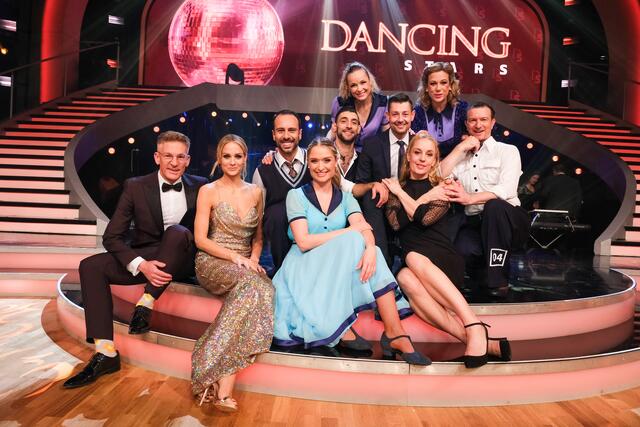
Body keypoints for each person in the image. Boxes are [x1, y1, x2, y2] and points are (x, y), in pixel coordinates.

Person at [63, 131, 208, 389]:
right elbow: (111, 237)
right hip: (149, 260)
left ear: (188, 160)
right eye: (168, 156)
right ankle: (105, 353)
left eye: (180, 157)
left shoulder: (202, 186)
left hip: (183, 260)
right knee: (90, 266)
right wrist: (141, 264)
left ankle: (146, 302)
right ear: (157, 157)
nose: (174, 162)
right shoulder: (135, 186)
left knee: (177, 231)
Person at [272, 137, 429, 365]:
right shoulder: (295, 196)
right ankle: (394, 334)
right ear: (308, 164)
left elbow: (364, 228)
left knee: (368, 246)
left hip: (333, 265)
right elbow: (303, 242)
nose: (320, 166)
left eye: (326, 160)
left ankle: (395, 331)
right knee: (353, 238)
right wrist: (348, 232)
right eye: (314, 161)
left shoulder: (346, 198)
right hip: (303, 265)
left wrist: (370, 249)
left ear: (335, 161)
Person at [383, 131, 511, 368]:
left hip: (442, 259)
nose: (422, 159)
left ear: (435, 160)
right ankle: (478, 338)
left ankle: (471, 322)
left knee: (412, 258)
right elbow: (397, 223)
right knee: (404, 277)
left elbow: (423, 219)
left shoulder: (443, 186)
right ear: (408, 156)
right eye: (417, 153)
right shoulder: (396, 188)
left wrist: (403, 194)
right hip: (415, 263)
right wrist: (410, 193)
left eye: (428, 154)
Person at [191, 134, 273, 412]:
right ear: (219, 158)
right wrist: (237, 258)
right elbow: (200, 240)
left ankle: (220, 380)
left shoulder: (256, 192)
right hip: (213, 260)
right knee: (253, 286)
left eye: (238, 156)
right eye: (227, 156)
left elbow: (258, 237)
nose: (232, 161)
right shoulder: (208, 191)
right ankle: (210, 369)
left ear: (245, 158)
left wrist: (254, 258)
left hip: (245, 263)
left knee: (265, 287)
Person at [441, 102, 530, 296]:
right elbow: (437, 176)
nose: (478, 124)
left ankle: (498, 281)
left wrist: (469, 198)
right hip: (476, 222)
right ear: (467, 124)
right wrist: (460, 148)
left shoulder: (508, 151)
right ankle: (482, 271)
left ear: (493, 123)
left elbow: (507, 189)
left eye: (483, 119)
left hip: (510, 219)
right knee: (462, 250)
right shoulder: (461, 157)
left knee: (494, 206)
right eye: (473, 120)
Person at [356, 93, 415, 265]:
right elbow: (361, 180)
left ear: (412, 115)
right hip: (381, 204)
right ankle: (381, 261)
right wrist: (376, 185)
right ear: (388, 116)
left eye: (405, 114)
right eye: (395, 114)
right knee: (370, 196)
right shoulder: (372, 144)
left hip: (410, 202)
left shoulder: (420, 143)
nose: (400, 119)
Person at [252, 110, 311, 273]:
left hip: (313, 232)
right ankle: (283, 272)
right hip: (279, 240)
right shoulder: (262, 171)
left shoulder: (314, 161)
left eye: (291, 130)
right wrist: (255, 255)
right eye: (280, 130)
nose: (286, 136)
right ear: (273, 135)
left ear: (300, 134)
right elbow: (258, 217)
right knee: (276, 212)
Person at [411, 62, 468, 157]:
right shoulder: (418, 112)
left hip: (458, 164)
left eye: (443, 83)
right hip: (425, 163)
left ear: (450, 86)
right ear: (426, 87)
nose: (438, 88)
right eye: (433, 83)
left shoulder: (462, 109)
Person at [330, 61, 389, 149]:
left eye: (363, 82)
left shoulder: (383, 103)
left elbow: (387, 137)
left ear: (370, 81)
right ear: (348, 87)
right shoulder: (339, 103)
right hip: (344, 152)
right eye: (353, 85)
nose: (359, 89)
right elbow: (333, 132)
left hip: (372, 154)